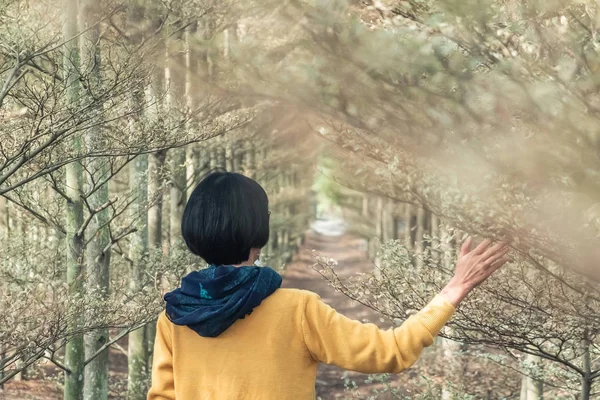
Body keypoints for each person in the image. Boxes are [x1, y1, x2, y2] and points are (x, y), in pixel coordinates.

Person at [147, 171, 510, 400]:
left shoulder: (177, 316)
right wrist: (454, 289)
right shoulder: (296, 309)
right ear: (259, 229)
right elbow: (391, 351)